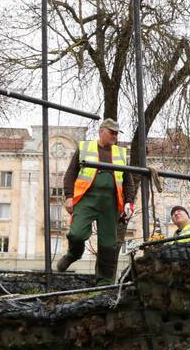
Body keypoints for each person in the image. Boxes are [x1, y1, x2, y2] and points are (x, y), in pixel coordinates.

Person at [56, 119, 137, 283]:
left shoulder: (121, 153)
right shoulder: (85, 147)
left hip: (110, 203)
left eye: (116, 133)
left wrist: (129, 202)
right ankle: (74, 253)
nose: (114, 136)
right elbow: (70, 173)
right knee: (76, 233)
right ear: (101, 131)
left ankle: (104, 282)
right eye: (111, 132)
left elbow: (128, 181)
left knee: (108, 245)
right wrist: (69, 197)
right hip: (87, 199)